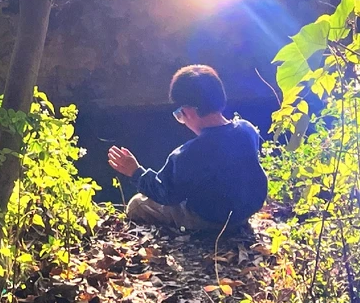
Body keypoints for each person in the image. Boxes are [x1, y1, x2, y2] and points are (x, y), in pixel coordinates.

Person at [108, 64, 267, 233]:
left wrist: (136, 172)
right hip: (244, 212)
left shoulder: (189, 154)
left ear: (189, 111)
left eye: (179, 115)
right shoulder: (247, 129)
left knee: (136, 204)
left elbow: (165, 193)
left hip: (208, 220)